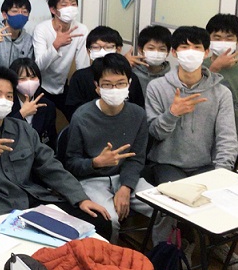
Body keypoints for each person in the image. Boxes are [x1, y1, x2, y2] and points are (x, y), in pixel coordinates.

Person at [0, 67, 112, 239]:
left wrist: (80, 198)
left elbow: (50, 166)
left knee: (98, 221)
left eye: (9, 96)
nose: (3, 100)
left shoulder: (22, 129)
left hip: (34, 199)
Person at [65, 54, 173, 244]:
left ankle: (162, 254)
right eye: (107, 85)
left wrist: (126, 187)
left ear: (129, 84)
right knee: (109, 220)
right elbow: (71, 163)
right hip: (92, 180)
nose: (114, 89)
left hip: (127, 177)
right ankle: (113, 258)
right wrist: (95, 163)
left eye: (120, 83)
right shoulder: (82, 117)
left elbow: (137, 158)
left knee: (167, 209)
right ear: (97, 87)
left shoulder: (137, 114)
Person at [146, 26, 238, 183]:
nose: (191, 52)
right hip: (166, 164)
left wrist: (222, 173)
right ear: (174, 52)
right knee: (176, 196)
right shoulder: (157, 87)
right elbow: (155, 133)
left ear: (206, 52)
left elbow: (227, 138)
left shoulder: (221, 93)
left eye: (197, 47)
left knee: (205, 195)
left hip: (206, 165)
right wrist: (172, 114)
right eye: (184, 47)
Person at [32, 0, 90, 119]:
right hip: (41, 86)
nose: (70, 8)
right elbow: (38, 66)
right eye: (64, 5)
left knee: (80, 117)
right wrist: (56, 45)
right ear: (53, 9)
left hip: (62, 86)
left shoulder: (81, 29)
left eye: (73, 4)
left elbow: (83, 66)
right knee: (45, 120)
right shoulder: (42, 29)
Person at [65, 26, 144, 119]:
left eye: (108, 47)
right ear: (88, 51)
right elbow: (73, 110)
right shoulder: (80, 77)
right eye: (96, 47)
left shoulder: (129, 77)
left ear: (118, 49)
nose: (102, 51)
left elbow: (138, 107)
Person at [205, 14, 238, 170]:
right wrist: (214, 68)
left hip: (231, 147)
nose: (223, 43)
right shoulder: (197, 68)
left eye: (229, 38)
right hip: (198, 147)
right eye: (217, 38)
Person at [8, 58, 56, 150]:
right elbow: (3, 135)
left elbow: (50, 142)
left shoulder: (48, 106)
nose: (29, 82)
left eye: (33, 77)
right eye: (22, 79)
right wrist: (21, 114)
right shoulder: (6, 105)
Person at [132, 25, 172, 95]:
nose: (156, 52)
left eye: (162, 49)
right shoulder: (132, 73)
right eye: (151, 48)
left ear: (168, 52)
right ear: (140, 50)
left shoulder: (171, 77)